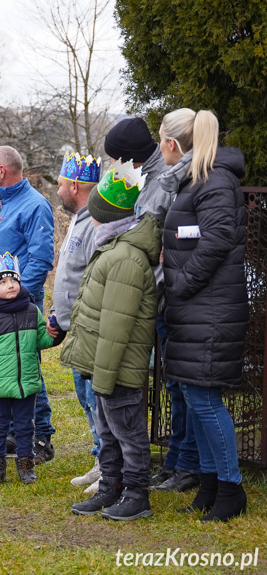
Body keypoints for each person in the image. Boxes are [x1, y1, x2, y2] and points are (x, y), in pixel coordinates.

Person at [159, 108, 248, 522]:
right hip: (197, 309)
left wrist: (179, 284)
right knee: (196, 399)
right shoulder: (198, 181)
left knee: (206, 401)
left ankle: (232, 490)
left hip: (208, 310)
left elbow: (215, 241)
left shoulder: (215, 182)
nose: (160, 150)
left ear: (175, 143)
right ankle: (210, 485)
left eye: (162, 141)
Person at [104, 117, 198, 493]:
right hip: (161, 296)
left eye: (117, 158)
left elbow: (156, 246)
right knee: (173, 384)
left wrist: (148, 293)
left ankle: (186, 463)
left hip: (165, 295)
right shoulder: (152, 177)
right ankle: (176, 459)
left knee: (181, 385)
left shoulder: (163, 182)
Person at [63, 161, 160, 521]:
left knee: (128, 432)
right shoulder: (113, 247)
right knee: (108, 430)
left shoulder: (126, 258)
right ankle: (110, 489)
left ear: (105, 216)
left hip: (117, 368)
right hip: (103, 367)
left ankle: (136, 494)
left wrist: (102, 377)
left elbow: (117, 326)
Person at [0, 146, 56, 463]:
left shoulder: (35, 206)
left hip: (21, 306)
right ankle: (9, 436)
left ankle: (41, 438)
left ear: (1, 171)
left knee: (26, 367)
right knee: (1, 368)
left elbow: (40, 259)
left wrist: (20, 300)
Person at [0, 252, 59, 485]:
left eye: (14, 281)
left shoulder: (31, 311)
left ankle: (26, 464)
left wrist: (56, 332)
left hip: (26, 383)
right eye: (3, 282)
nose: (10, 286)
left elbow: (42, 340)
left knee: (24, 427)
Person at [46, 153, 102, 494]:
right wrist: (57, 314)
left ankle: (111, 466)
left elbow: (93, 280)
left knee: (97, 400)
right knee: (84, 396)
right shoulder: (77, 219)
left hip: (90, 328)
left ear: (76, 186)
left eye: (62, 184)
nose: (58, 190)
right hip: (73, 327)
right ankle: (101, 460)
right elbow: (69, 276)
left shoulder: (96, 223)